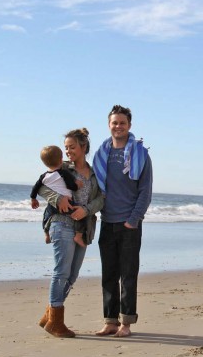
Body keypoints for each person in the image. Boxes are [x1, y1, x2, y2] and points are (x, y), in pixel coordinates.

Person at [35, 128, 104, 338]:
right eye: (66, 148)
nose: (68, 151)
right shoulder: (61, 167)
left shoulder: (95, 173)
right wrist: (58, 199)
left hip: (83, 229)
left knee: (72, 275)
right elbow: (41, 187)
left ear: (84, 147)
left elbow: (101, 198)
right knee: (61, 272)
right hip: (61, 223)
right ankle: (56, 321)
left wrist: (87, 209)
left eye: (72, 147)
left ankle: (50, 315)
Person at [93, 105, 153, 338]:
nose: (118, 126)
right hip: (107, 221)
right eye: (114, 123)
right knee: (108, 274)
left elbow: (145, 191)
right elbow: (92, 184)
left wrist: (133, 220)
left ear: (129, 125)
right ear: (109, 125)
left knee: (128, 275)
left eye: (122, 123)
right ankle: (110, 321)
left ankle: (126, 323)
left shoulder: (141, 154)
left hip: (129, 224)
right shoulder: (101, 153)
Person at [30, 145, 86, 248]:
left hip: (52, 205)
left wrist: (33, 199)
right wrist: (78, 184)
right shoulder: (64, 173)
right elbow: (71, 186)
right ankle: (78, 235)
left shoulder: (43, 176)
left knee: (46, 215)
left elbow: (36, 188)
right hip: (68, 204)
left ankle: (46, 233)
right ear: (61, 160)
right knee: (82, 214)